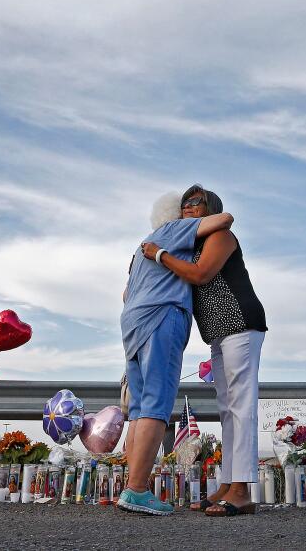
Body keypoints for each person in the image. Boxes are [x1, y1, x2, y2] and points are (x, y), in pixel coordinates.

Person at [142, 184, 267, 517]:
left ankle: (241, 491)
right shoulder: (191, 243)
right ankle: (228, 485)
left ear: (211, 207)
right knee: (227, 408)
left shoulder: (221, 236)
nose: (188, 206)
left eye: (196, 202)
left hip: (241, 323)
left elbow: (200, 274)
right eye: (184, 203)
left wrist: (159, 254)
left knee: (241, 406)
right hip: (219, 332)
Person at [116, 194, 234, 516]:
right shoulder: (172, 232)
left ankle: (130, 486)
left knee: (139, 408)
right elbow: (224, 220)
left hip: (133, 324)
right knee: (157, 403)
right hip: (161, 318)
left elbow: (126, 293)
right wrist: (194, 225)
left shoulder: (141, 247)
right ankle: (138, 490)